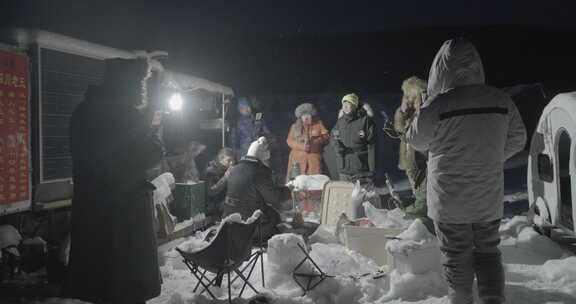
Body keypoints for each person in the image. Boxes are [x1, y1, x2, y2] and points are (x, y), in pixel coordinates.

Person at [407, 38, 527, 304]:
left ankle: (460, 300)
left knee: (455, 256)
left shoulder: (438, 104)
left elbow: (415, 140)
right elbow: (518, 139)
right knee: (488, 253)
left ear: (441, 69)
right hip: (487, 196)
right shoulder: (500, 99)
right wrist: (491, 157)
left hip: (450, 200)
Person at [66, 58, 164, 304]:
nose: (142, 88)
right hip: (123, 217)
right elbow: (147, 155)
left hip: (92, 212)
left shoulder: (84, 111)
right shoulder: (124, 115)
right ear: (130, 83)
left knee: (101, 285)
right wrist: (149, 130)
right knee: (126, 288)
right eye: (141, 82)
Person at [223, 137, 291, 241]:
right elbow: (274, 198)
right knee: (275, 217)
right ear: (261, 155)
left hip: (230, 226)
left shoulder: (234, 169)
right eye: (267, 155)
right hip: (250, 228)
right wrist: (288, 189)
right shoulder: (259, 172)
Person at [393, 76, 429, 219]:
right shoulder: (407, 111)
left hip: (422, 157)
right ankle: (420, 215)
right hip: (409, 157)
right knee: (416, 188)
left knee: (423, 189)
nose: (408, 98)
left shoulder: (426, 108)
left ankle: (423, 217)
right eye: (406, 95)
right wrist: (402, 111)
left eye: (410, 94)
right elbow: (399, 128)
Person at [330, 93, 376, 184]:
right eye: (344, 104)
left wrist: (372, 168)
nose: (345, 106)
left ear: (355, 106)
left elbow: (372, 145)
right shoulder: (340, 121)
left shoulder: (365, 121)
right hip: (344, 166)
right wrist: (337, 146)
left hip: (360, 166)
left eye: (349, 103)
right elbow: (334, 135)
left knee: (360, 195)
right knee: (345, 194)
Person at [286, 103, 330, 182]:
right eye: (303, 115)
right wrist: (302, 146)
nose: (306, 117)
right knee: (297, 182)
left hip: (313, 159)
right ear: (300, 116)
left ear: (312, 115)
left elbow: (326, 136)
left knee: (314, 181)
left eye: (308, 114)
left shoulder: (319, 125)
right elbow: (289, 141)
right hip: (297, 159)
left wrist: (315, 142)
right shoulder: (295, 126)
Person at [203, 147, 235, 217]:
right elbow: (211, 191)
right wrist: (226, 177)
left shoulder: (226, 169)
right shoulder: (210, 171)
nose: (231, 163)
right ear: (221, 159)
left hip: (223, 202)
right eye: (229, 160)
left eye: (233, 160)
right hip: (213, 206)